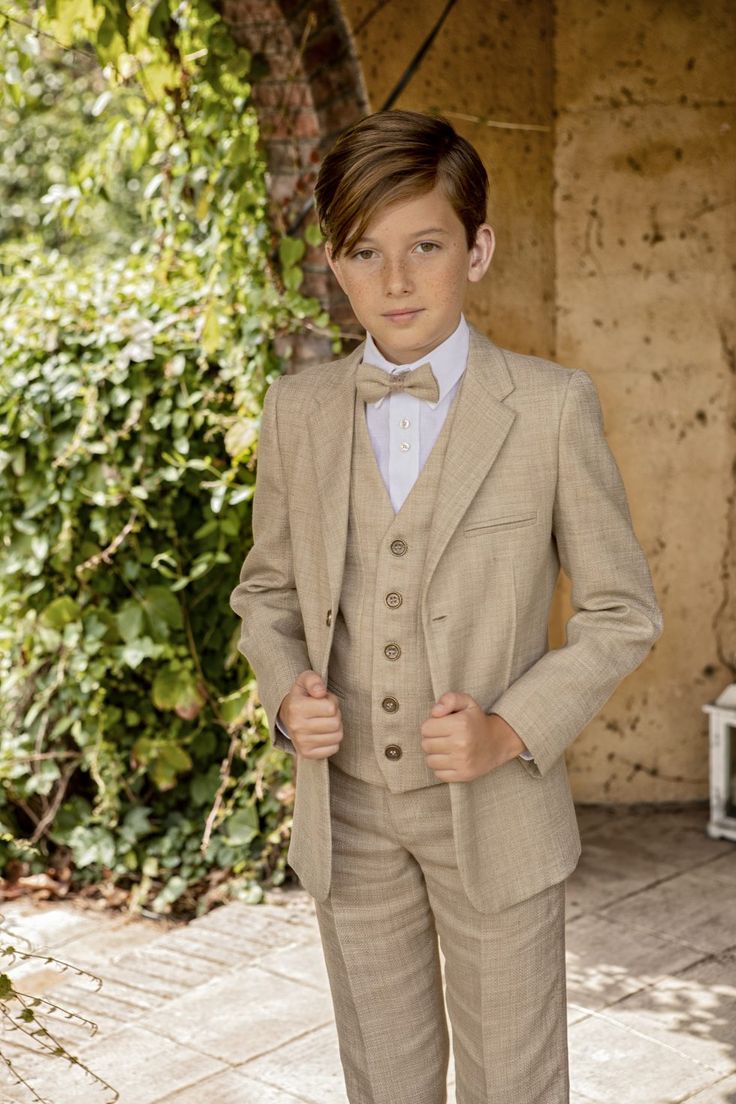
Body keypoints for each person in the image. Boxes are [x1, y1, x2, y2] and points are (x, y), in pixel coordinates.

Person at [229, 108, 664, 1104]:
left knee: (513, 1084)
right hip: (348, 816)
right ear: (333, 267)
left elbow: (619, 611)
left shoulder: (549, 407)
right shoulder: (295, 413)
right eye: (365, 253)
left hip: (494, 817)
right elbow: (264, 592)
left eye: (424, 246)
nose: (395, 280)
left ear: (477, 250)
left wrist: (511, 729)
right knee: (383, 1082)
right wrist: (283, 690)